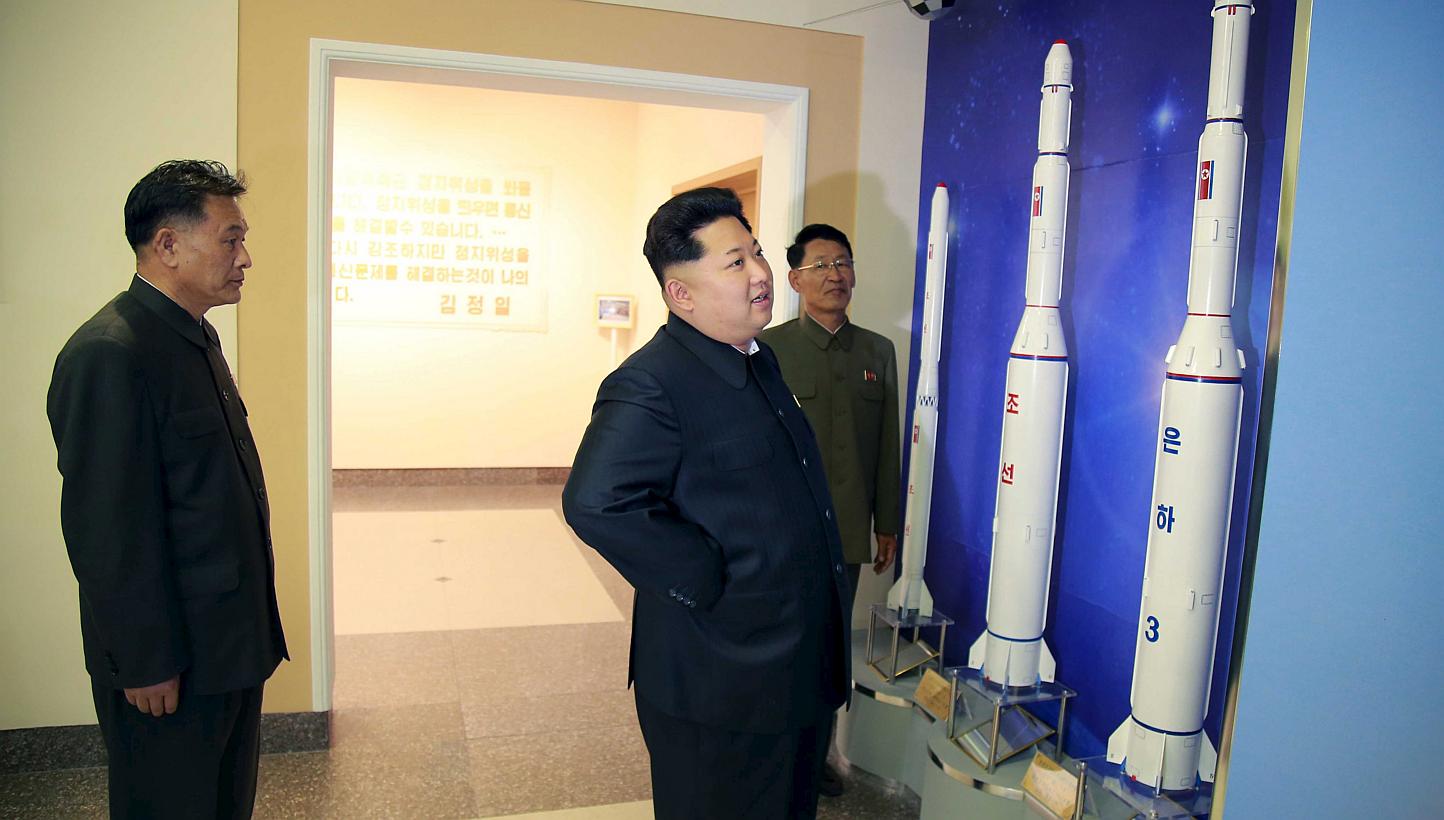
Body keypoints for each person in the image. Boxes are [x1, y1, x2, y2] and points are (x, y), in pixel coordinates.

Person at [563, 188, 851, 819]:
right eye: (735, 263)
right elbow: (596, 502)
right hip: (721, 679)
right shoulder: (651, 382)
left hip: (792, 666)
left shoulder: (758, 361)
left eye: (756, 253)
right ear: (681, 293)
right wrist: (704, 577)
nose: (760, 273)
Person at [47, 160, 287, 819]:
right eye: (231, 239)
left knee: (222, 803)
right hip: (169, 667)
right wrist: (145, 661)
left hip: (225, 648)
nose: (245, 258)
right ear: (168, 244)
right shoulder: (111, 352)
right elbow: (106, 530)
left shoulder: (192, 336)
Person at [760, 223, 901, 796]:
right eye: (820, 265)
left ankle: (817, 756)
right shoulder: (767, 349)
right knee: (781, 645)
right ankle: (774, 752)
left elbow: (887, 446)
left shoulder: (877, 351)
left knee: (829, 647)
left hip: (845, 533)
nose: (835, 274)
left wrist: (886, 523)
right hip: (781, 533)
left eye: (843, 262)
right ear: (795, 280)